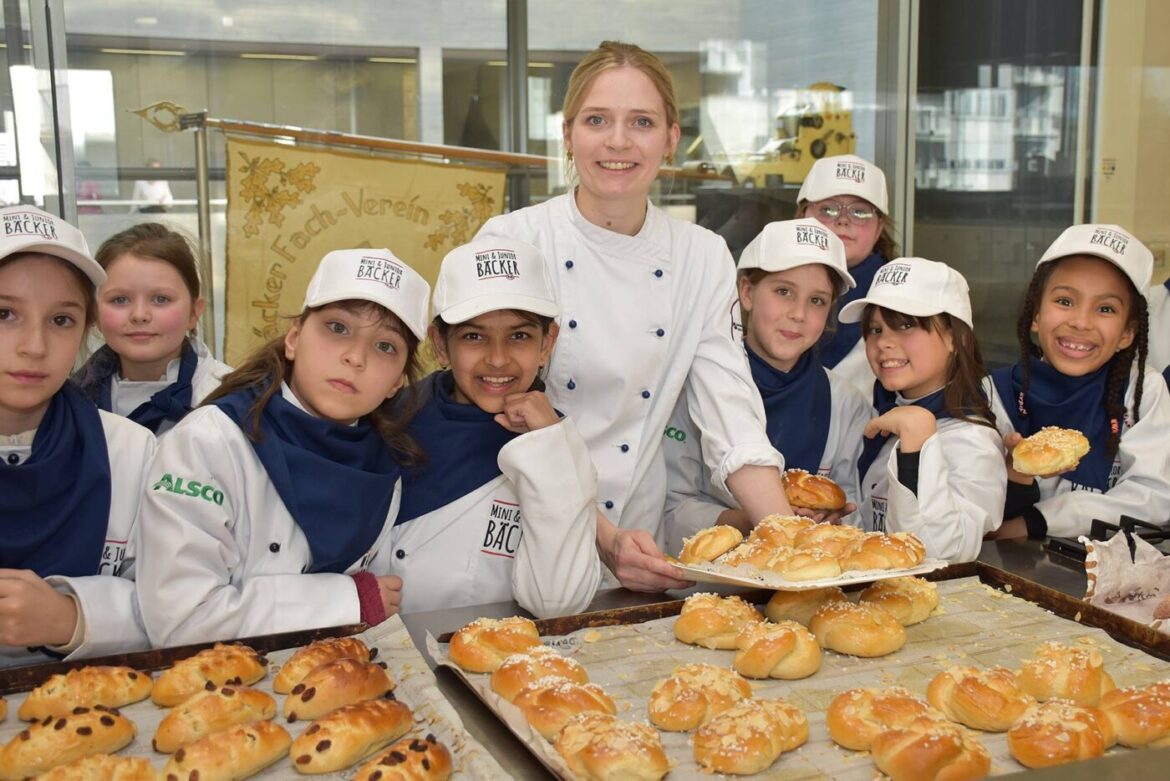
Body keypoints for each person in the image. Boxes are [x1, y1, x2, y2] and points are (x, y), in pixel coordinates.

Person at [477, 41, 791, 592]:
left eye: (641, 122)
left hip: (641, 540)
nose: (618, 141)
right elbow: (489, 413)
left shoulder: (701, 255)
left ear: (670, 138)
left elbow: (731, 413)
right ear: (568, 134)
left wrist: (790, 541)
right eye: (597, 119)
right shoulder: (514, 242)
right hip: (523, 528)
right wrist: (601, 536)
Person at [135, 248, 429, 647]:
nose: (355, 357)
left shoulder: (386, 463)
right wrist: (347, 600)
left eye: (385, 347)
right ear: (293, 339)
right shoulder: (208, 442)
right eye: (338, 328)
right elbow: (181, 620)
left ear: (397, 382)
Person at [391, 237, 601, 618]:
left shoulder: (557, 445)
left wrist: (550, 449)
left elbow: (559, 602)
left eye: (519, 336)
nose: (499, 359)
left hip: (490, 650)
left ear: (547, 343)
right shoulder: (388, 421)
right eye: (474, 336)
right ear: (441, 344)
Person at [0, 206, 156, 666]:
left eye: (61, 320)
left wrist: (73, 617)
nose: (34, 346)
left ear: (86, 331)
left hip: (90, 698)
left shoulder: (130, 451)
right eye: (4, 313)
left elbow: (174, 602)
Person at [663, 218, 870, 554]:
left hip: (809, 573)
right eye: (783, 291)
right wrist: (751, 519)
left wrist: (830, 521)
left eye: (817, 301)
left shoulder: (845, 402)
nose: (798, 313)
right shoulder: (692, 388)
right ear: (746, 292)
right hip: (710, 577)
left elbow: (854, 511)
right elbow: (669, 511)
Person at [987, 224, 1170, 540]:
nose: (1081, 322)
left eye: (1105, 308)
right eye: (1065, 301)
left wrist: (1040, 520)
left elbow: (1153, 498)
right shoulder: (995, 394)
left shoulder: (1142, 393)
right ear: (1035, 314)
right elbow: (977, 509)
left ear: (1127, 333)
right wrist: (1016, 473)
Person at [847, 258, 1005, 562]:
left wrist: (918, 442)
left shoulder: (974, 442)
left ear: (956, 338)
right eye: (876, 329)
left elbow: (943, 553)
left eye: (906, 325)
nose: (884, 342)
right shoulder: (879, 410)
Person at [72, 223, 231, 434]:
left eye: (161, 299)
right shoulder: (67, 403)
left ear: (194, 312)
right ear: (95, 313)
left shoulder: (231, 402)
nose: (139, 315)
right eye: (120, 300)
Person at [795, 154, 898, 392]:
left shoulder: (902, 301)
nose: (842, 220)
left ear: (879, 227)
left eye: (859, 212)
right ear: (801, 216)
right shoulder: (763, 283)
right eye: (827, 209)